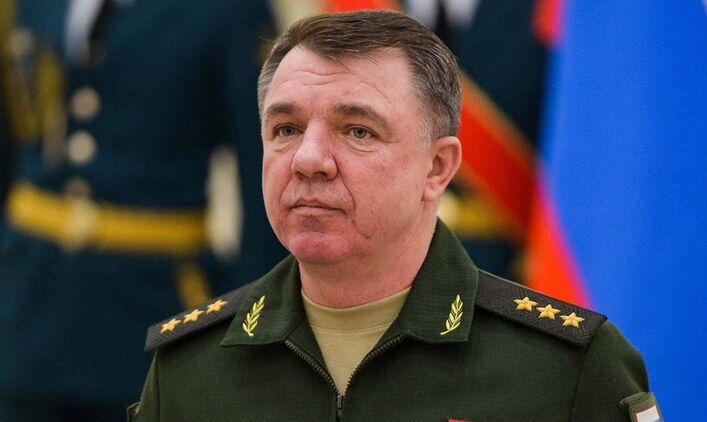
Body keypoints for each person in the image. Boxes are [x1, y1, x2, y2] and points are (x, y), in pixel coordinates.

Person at [130, 10, 662, 421]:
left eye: (358, 131)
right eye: (286, 129)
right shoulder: (190, 369)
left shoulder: (564, 366)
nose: (309, 159)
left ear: (437, 167)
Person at [0, 0, 285, 419]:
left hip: (152, 315)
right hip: (25, 310)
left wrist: (252, 327)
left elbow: (263, 178)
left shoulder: (231, 10)